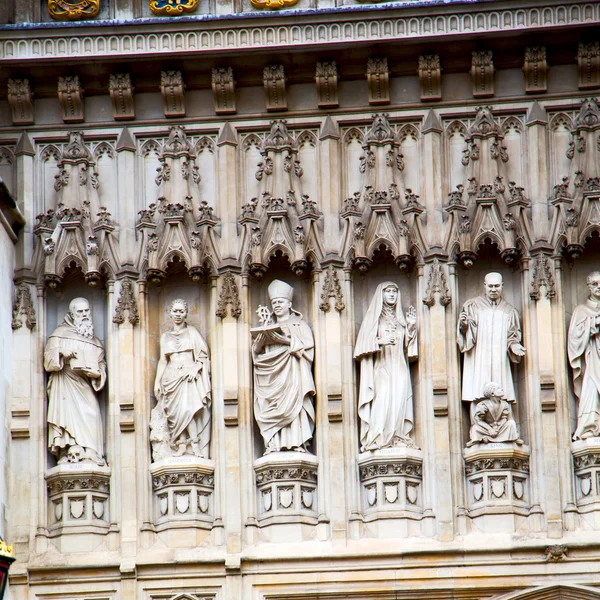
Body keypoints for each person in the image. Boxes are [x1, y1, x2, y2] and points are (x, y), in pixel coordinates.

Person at [252, 279, 316, 454]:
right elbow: (257, 355)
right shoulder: (267, 325)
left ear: (289, 304)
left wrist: (286, 340)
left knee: (295, 406)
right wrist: (257, 346)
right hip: (271, 377)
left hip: (293, 376)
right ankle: (273, 444)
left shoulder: (300, 325)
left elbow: (308, 351)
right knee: (270, 406)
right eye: (274, 303)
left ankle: (297, 442)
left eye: (280, 302)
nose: (277, 305)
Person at [354, 282, 418, 452]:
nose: (392, 295)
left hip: (399, 366)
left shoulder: (400, 319)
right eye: (388, 291)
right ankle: (377, 438)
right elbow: (361, 346)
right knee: (382, 396)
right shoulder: (374, 318)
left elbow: (409, 350)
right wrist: (379, 342)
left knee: (398, 400)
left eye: (395, 292)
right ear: (381, 295)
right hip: (381, 367)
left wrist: (410, 327)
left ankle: (396, 436)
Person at [44, 297, 106, 465]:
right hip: (65, 383)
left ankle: (91, 452)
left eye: (87, 311)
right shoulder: (59, 335)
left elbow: (101, 365)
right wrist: (60, 352)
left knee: (91, 413)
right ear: (71, 314)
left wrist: (97, 374)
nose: (85, 315)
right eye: (80, 312)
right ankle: (67, 451)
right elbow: (48, 361)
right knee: (66, 416)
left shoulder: (95, 342)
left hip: (84, 384)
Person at [458, 272, 526, 420]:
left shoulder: (509, 310)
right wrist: (464, 326)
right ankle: (478, 426)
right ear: (484, 286)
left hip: (499, 358)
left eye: (496, 286)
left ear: (502, 286)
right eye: (490, 286)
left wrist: (514, 346)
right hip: (479, 357)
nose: (493, 289)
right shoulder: (473, 306)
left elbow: (513, 335)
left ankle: (504, 425)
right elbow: (467, 334)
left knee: (501, 388)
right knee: (478, 389)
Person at [153, 299, 211, 458]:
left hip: (187, 376)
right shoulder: (165, 337)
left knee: (188, 410)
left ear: (186, 313)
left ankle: (195, 445)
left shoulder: (192, 332)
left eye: (181, 311)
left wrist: (195, 367)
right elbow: (163, 360)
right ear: (170, 313)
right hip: (170, 377)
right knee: (174, 413)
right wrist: (157, 381)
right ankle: (181, 445)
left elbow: (203, 355)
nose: (178, 314)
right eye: (175, 311)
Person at [568, 271, 600, 440]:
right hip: (592, 359)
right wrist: (593, 323)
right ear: (588, 286)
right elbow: (574, 339)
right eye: (595, 284)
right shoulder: (582, 311)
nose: (599, 287)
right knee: (592, 391)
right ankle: (590, 427)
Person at [467, 382, 522, 447]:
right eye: (498, 388)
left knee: (511, 423)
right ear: (492, 393)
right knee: (475, 428)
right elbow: (479, 421)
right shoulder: (483, 405)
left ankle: (513, 437)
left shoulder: (504, 404)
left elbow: (504, 418)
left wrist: (497, 429)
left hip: (500, 427)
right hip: (487, 429)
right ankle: (479, 438)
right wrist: (490, 429)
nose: (502, 389)